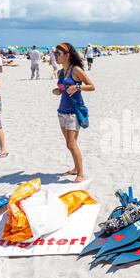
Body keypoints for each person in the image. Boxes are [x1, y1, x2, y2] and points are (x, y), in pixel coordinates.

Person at [51, 42, 95, 182]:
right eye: (55, 54)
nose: (55, 56)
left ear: (67, 55)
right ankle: (76, 168)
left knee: (71, 143)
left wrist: (77, 87)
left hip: (73, 112)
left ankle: (80, 173)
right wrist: (58, 91)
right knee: (70, 143)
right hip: (62, 111)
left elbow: (92, 86)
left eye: (58, 54)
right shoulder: (60, 72)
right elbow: (62, 89)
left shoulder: (76, 70)